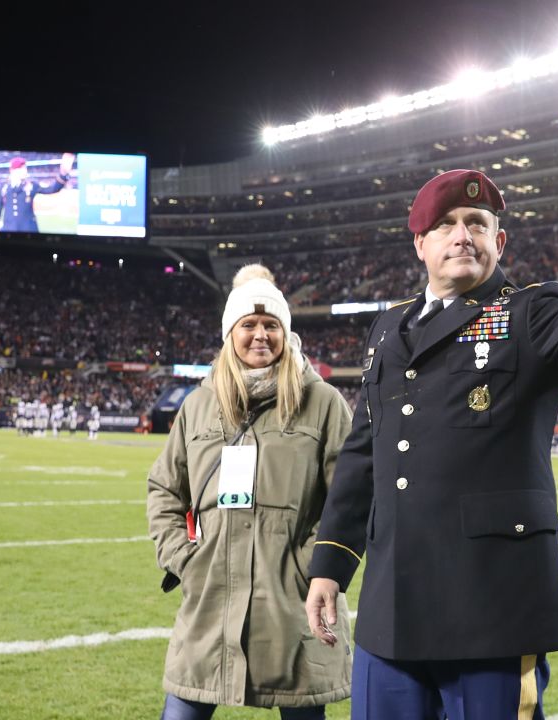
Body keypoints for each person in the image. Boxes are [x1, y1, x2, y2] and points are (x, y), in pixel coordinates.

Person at [305, 74, 558, 718]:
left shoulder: (532, 314)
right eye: (445, 225)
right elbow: (363, 456)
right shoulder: (387, 328)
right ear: (419, 245)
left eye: (477, 223)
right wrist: (330, 564)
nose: (463, 235)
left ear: (499, 241)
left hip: (494, 612)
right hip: (391, 615)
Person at [146, 264, 353, 719]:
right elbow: (164, 488)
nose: (261, 335)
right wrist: (184, 558)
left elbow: (350, 499)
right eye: (249, 325)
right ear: (229, 333)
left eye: (271, 325)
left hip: (295, 604)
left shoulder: (323, 404)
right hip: (209, 604)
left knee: (302, 710)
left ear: (285, 332)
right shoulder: (198, 405)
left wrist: (312, 566)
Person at [0, 154, 74, 233]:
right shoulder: (4, 186)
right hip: (8, 228)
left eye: (25, 168)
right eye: (21, 168)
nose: (25, 171)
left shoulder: (32, 185)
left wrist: (63, 174)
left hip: (28, 229)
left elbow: (52, 189)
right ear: (13, 171)